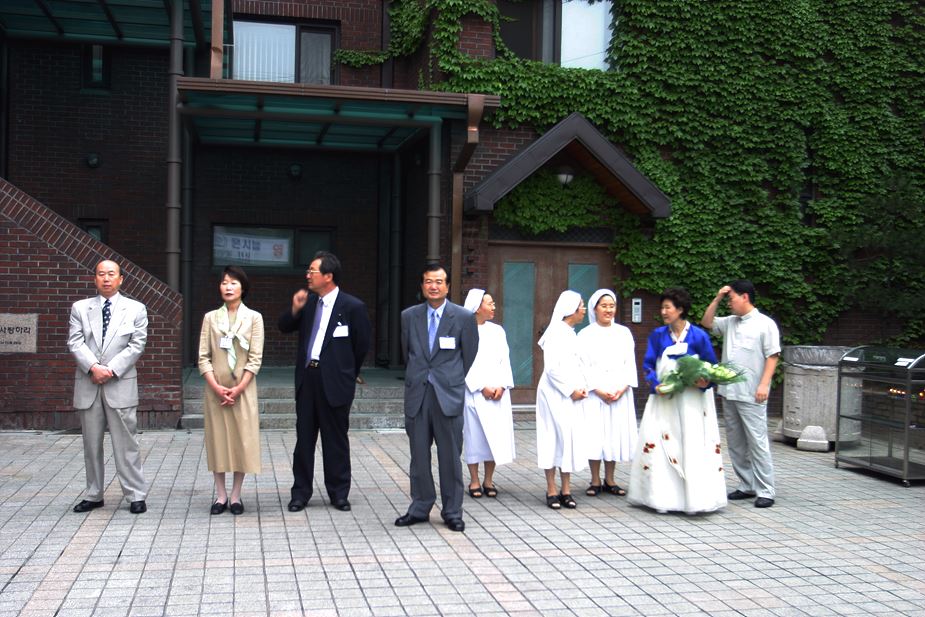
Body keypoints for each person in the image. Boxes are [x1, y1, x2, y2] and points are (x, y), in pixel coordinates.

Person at [279, 251, 371, 513]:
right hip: (308, 378)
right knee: (304, 440)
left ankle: (339, 493)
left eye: (312, 271)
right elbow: (284, 326)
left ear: (328, 276)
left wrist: (347, 373)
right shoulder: (308, 303)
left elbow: (361, 345)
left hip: (336, 382)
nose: (307, 275)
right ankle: (300, 493)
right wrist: (295, 308)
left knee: (336, 441)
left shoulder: (353, 307)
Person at [627, 287, 727, 514]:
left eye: (668, 307)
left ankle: (695, 499)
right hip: (665, 399)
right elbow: (648, 365)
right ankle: (660, 497)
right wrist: (655, 384)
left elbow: (712, 367)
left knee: (691, 442)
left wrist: (704, 382)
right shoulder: (658, 335)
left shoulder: (698, 336)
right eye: (662, 307)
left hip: (692, 401)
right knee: (660, 442)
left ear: (680, 309)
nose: (663, 312)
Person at [395, 264, 478, 532]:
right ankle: (420, 507)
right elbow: (407, 353)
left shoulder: (463, 317)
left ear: (448, 286)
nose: (434, 286)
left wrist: (450, 378)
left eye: (439, 281)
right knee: (418, 456)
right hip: (418, 394)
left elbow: (469, 355)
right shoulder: (409, 316)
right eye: (429, 281)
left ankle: (452, 511)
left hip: (448, 395)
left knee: (450, 457)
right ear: (422, 286)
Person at [67, 260, 149, 514]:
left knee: (127, 444)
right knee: (91, 445)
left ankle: (135, 495)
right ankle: (94, 494)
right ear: (95, 279)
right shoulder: (80, 308)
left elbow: (137, 344)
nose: (106, 278)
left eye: (111, 274)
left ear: (120, 279)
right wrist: (93, 367)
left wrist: (110, 370)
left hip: (120, 383)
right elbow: (75, 342)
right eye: (101, 274)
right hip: (89, 383)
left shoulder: (136, 309)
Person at [701, 280, 781, 508]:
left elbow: (773, 356)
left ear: (745, 297)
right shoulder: (730, 322)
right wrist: (717, 297)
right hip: (729, 391)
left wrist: (764, 385)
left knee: (757, 442)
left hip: (752, 393)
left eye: (731, 298)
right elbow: (707, 322)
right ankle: (747, 485)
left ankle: (766, 490)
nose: (729, 303)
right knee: (735, 443)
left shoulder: (765, 324)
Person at [198, 266, 264, 515]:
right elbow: (203, 356)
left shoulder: (254, 318)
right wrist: (216, 386)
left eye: (234, 283)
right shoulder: (210, 318)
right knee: (218, 441)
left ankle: (236, 496)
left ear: (243, 288)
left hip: (243, 390)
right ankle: (220, 495)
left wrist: (238, 388)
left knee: (241, 441)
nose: (228, 287)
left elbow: (255, 358)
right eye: (225, 282)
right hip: (215, 390)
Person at [579, 289, 638, 498]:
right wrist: (597, 389)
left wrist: (622, 388)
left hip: (619, 392)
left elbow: (630, 363)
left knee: (614, 435)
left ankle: (610, 479)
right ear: (595, 309)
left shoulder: (624, 333)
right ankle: (595, 479)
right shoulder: (585, 335)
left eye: (611, 306)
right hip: (596, 393)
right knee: (595, 434)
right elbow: (582, 366)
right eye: (604, 306)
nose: (608, 310)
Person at [535, 290, 589, 510]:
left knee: (568, 438)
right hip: (553, 393)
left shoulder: (571, 333)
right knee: (552, 437)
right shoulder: (556, 333)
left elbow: (578, 365)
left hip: (571, 393)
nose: (584, 310)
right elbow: (552, 369)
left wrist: (582, 387)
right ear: (570, 309)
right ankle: (551, 488)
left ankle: (566, 489)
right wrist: (570, 390)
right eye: (581, 305)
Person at [461, 289, 515, 499]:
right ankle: (474, 479)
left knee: (494, 436)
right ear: (477, 307)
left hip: (497, 393)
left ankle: (489, 480)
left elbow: (505, 360)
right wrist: (481, 386)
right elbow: (463, 362)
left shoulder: (498, 331)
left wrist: (502, 385)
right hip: (475, 392)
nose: (493, 307)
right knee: (474, 436)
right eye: (489, 303)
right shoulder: (464, 330)